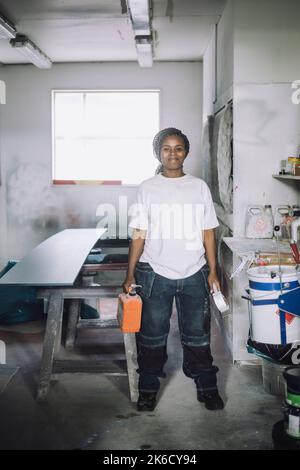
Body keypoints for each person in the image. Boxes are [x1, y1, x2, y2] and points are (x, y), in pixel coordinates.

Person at [122, 127, 224, 412]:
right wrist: (130, 274)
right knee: (152, 335)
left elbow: (208, 232)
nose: (172, 153)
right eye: (166, 148)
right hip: (155, 272)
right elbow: (139, 233)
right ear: (159, 153)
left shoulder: (198, 187)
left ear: (186, 152)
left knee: (198, 335)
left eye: (178, 148)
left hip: (195, 272)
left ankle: (207, 388)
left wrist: (213, 270)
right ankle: (148, 389)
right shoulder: (148, 187)